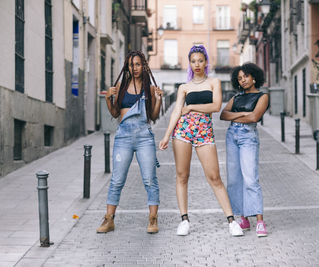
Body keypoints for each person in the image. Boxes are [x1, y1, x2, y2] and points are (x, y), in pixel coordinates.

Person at [159, 45, 243, 237]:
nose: (197, 64)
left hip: (204, 133)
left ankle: (231, 221)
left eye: (200, 60)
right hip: (182, 132)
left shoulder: (214, 82)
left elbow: (215, 106)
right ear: (190, 63)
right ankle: (184, 220)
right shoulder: (184, 87)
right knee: (182, 176)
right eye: (193, 61)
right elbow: (176, 112)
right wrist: (166, 135)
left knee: (214, 177)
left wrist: (192, 107)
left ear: (206, 62)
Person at [96, 51, 163, 234]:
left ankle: (153, 219)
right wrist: (108, 98)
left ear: (144, 66)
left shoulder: (149, 88)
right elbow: (115, 113)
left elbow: (154, 116)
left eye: (138, 64)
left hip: (144, 136)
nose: (135, 68)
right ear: (128, 66)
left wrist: (158, 100)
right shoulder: (121, 86)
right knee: (117, 180)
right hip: (124, 136)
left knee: (150, 179)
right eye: (132, 65)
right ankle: (109, 219)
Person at [220, 63, 269, 237]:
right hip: (231, 136)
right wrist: (243, 115)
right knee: (234, 180)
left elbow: (255, 117)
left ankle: (260, 221)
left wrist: (237, 116)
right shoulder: (236, 97)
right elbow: (223, 115)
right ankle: (243, 218)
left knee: (250, 179)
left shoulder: (262, 97)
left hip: (248, 137)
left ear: (254, 77)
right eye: (240, 78)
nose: (243, 80)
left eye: (246, 76)